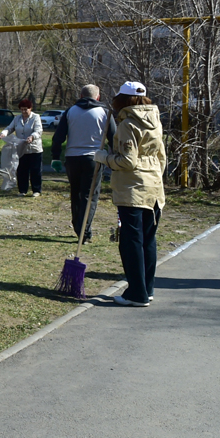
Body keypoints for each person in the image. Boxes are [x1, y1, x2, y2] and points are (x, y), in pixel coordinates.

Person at [96, 82, 167, 307]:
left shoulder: (127, 124)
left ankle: (136, 294)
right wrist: (153, 177)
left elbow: (127, 161)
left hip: (133, 190)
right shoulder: (155, 121)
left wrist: (104, 158)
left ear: (123, 100)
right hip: (154, 188)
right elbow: (161, 157)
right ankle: (147, 288)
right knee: (148, 239)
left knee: (130, 241)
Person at [51, 84, 110, 242]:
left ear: (81, 95)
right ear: (97, 97)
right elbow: (114, 136)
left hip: (72, 158)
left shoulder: (70, 111)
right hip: (94, 159)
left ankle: (79, 226)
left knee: (76, 193)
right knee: (90, 196)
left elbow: (58, 137)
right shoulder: (104, 112)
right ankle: (84, 230)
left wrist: (55, 156)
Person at [2, 98, 44, 197]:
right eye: (22, 109)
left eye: (26, 109)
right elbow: (10, 128)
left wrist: (32, 137)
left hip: (34, 148)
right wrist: (4, 133)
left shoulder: (36, 117)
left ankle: (36, 190)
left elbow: (38, 130)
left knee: (35, 170)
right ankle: (22, 190)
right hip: (21, 149)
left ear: (30, 108)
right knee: (21, 170)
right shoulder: (17, 118)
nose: (24, 112)